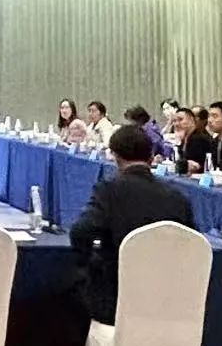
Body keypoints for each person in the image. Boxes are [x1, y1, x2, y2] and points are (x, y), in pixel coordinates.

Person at [69, 124, 194, 325]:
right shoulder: (177, 197)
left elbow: (80, 232)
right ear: (151, 157)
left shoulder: (109, 190)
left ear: (115, 157)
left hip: (117, 299)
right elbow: (191, 244)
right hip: (168, 300)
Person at [172, 105, 213, 176]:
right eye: (174, 121)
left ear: (191, 120)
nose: (176, 124)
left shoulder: (199, 139)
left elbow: (199, 166)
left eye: (180, 119)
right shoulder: (184, 138)